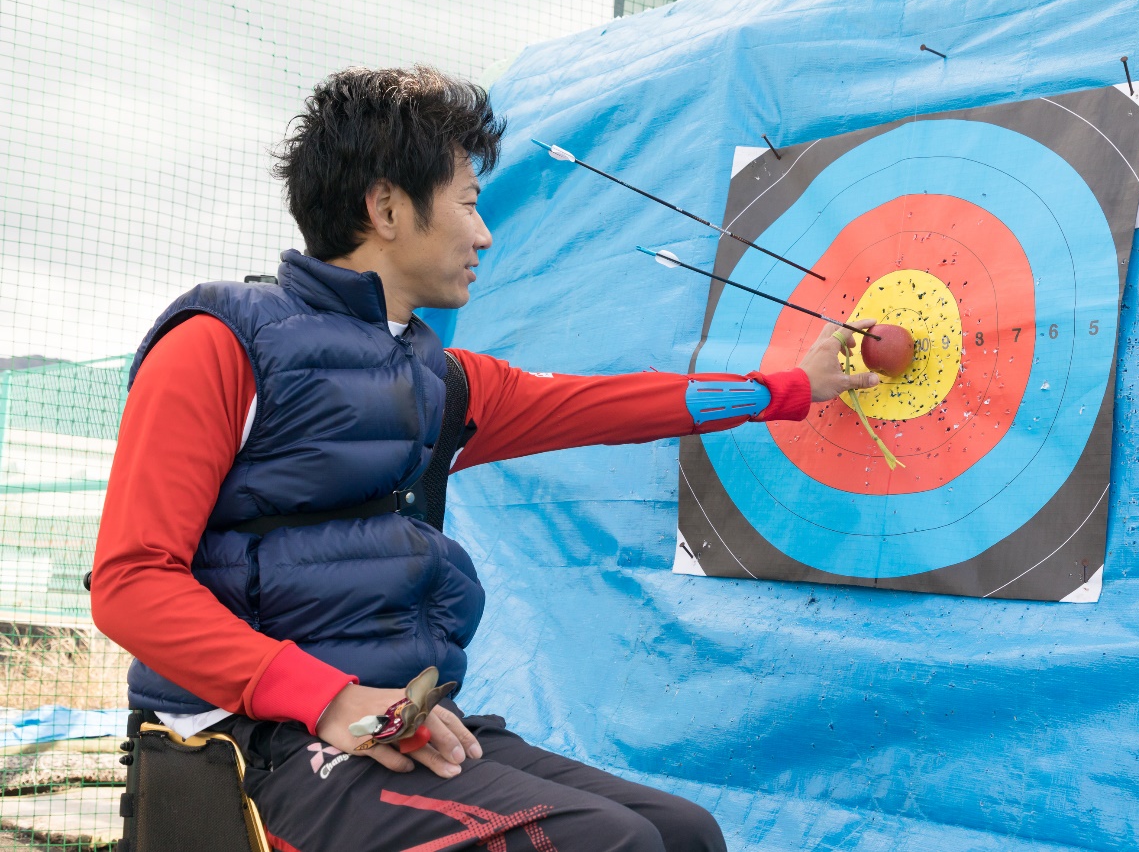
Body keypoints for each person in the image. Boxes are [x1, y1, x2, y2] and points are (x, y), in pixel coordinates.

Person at [91, 66, 880, 852]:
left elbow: (609, 406)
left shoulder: (441, 380)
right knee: (610, 845)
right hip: (254, 743)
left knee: (682, 832)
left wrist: (790, 388)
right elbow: (131, 584)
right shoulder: (219, 344)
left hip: (395, 723)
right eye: (468, 202)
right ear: (388, 206)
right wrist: (328, 697)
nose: (484, 233)